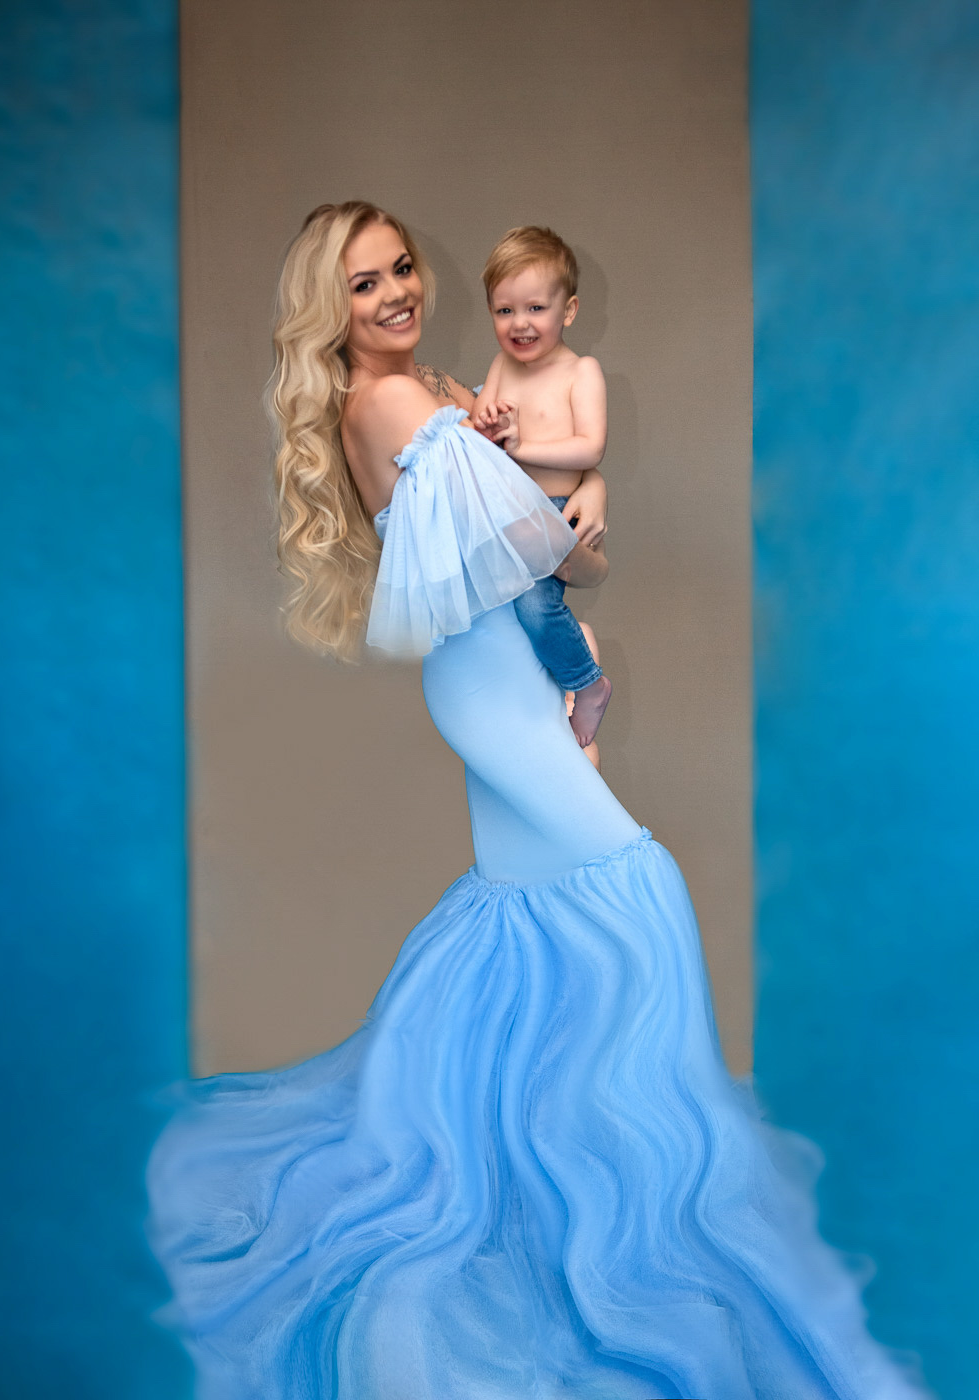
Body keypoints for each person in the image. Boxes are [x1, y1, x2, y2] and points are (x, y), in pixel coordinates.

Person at [147, 202, 932, 1400]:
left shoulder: (434, 390)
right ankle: (650, 1196)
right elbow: (552, 552)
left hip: (509, 667)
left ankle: (526, 1180)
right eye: (363, 284)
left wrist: (576, 502)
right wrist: (582, 500)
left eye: (401, 267)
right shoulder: (390, 404)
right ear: (330, 311)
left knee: (521, 905)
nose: (397, 293)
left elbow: (550, 547)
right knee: (635, 881)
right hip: (488, 681)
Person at [473, 226, 613, 749]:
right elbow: (478, 433)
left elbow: (589, 448)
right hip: (502, 511)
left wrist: (521, 447)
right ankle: (528, 707)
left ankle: (587, 683)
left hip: (552, 511)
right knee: (493, 619)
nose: (520, 323)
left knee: (535, 607)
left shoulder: (581, 371)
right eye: (504, 310)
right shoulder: (500, 366)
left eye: (535, 308)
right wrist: (488, 423)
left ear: (568, 311)